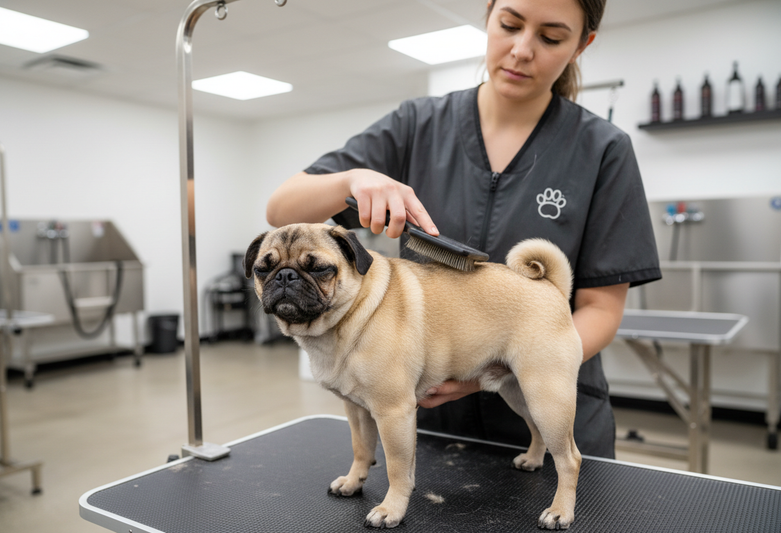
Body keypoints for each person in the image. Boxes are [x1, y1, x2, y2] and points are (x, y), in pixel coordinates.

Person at [265, 0, 661, 458]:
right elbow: (281, 207)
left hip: (548, 409)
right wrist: (351, 179)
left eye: (550, 37)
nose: (521, 50)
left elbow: (601, 310)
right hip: (427, 417)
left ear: (581, 45)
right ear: (488, 16)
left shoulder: (602, 150)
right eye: (509, 25)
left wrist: (491, 372)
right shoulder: (416, 125)